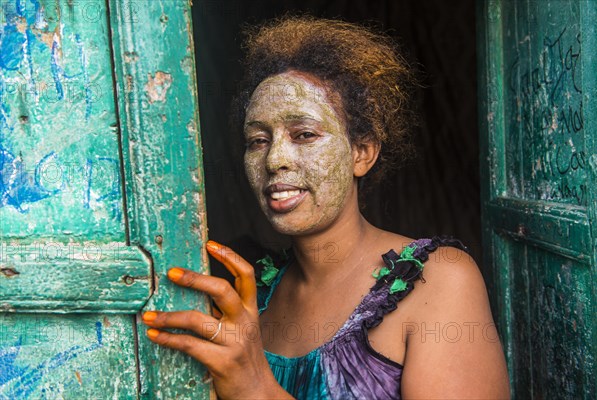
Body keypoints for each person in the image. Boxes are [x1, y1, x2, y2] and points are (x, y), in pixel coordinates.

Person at [141, 16, 510, 399]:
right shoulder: (254, 299)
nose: (274, 160)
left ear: (361, 153)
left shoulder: (438, 280)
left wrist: (255, 387)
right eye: (258, 140)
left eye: (304, 134)